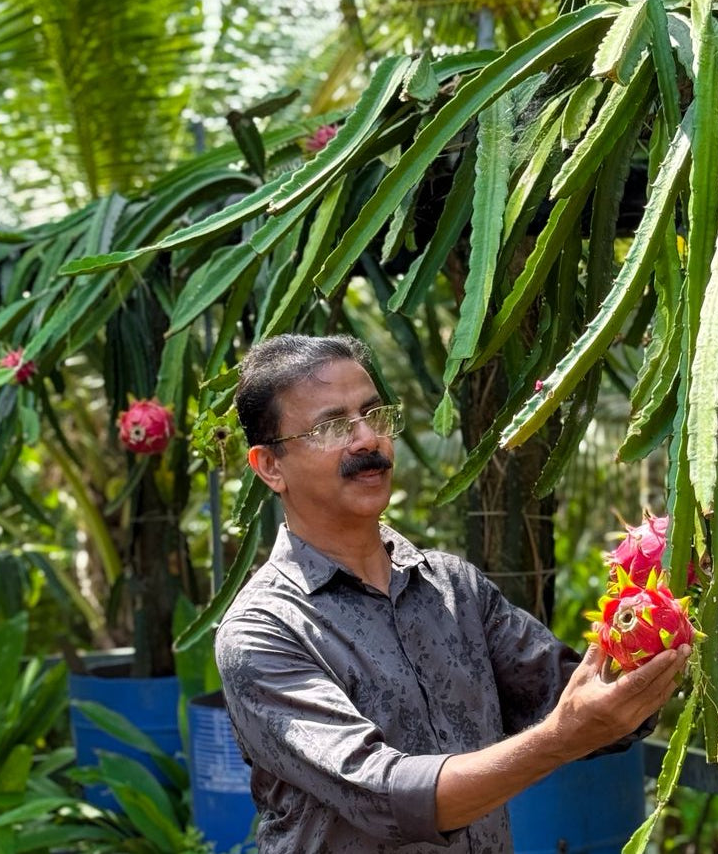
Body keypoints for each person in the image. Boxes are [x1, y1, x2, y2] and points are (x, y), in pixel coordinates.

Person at [215, 333, 690, 853]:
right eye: (332, 427)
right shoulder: (264, 629)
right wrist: (561, 738)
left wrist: (663, 599)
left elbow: (579, 699)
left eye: (375, 415)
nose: (366, 439)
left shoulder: (453, 589)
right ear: (270, 467)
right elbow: (387, 796)